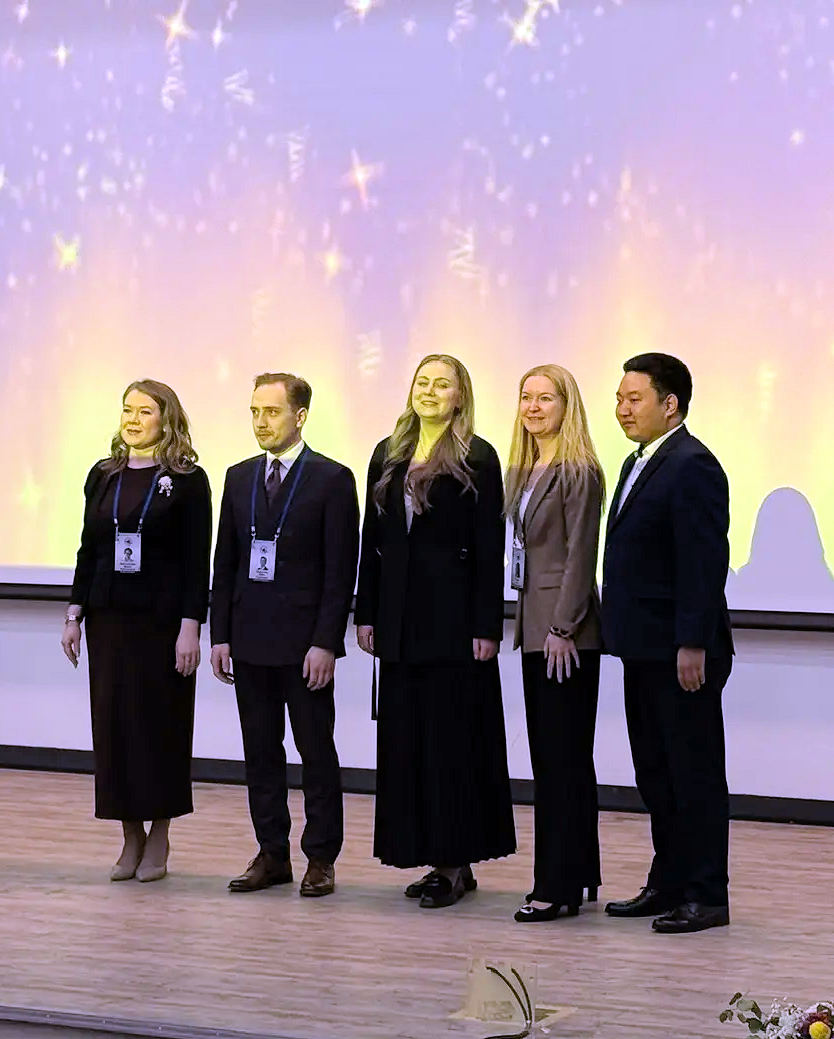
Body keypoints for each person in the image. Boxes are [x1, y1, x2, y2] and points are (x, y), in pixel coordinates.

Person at [355, 354, 515, 909]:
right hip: (399, 624)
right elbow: (372, 541)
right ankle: (432, 857)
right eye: (421, 382)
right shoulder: (388, 452)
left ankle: (453, 862)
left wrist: (486, 625)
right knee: (409, 746)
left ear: (459, 396)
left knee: (451, 746)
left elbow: (490, 548)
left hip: (453, 625)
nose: (428, 391)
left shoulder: (477, 456)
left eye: (440, 384)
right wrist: (366, 612)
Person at [210, 373, 359, 898]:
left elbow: (340, 571)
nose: (260, 422)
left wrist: (326, 642)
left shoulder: (331, 478)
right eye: (254, 411)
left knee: (315, 751)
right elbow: (225, 562)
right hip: (249, 638)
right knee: (260, 752)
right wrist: (220, 635)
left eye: (271, 412)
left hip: (304, 645)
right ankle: (271, 852)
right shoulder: (238, 477)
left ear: (300, 416)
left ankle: (321, 856)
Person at [602, 353, 733, 934]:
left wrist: (692, 643)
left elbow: (703, 562)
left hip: (682, 653)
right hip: (642, 648)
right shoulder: (640, 461)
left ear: (670, 404)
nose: (622, 409)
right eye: (619, 398)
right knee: (656, 773)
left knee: (693, 774)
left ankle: (706, 895)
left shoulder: (692, 464)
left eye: (634, 399)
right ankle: (669, 881)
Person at [62, 379, 211, 883]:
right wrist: (74, 614)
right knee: (115, 730)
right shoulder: (103, 474)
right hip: (109, 621)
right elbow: (88, 549)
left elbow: (196, 562)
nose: (133, 419)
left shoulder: (188, 480)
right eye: (127, 409)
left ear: (166, 419)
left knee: (160, 729)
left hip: (162, 626)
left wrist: (191, 627)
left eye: (145, 411)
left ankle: (160, 833)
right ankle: (130, 836)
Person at [502, 365, 605, 922]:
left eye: (546, 398)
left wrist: (564, 627)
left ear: (568, 406)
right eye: (527, 397)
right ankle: (579, 873)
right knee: (557, 760)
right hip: (536, 628)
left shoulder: (578, 470)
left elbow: (581, 556)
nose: (534, 407)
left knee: (560, 764)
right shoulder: (524, 468)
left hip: (564, 636)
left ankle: (556, 886)